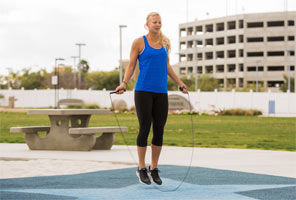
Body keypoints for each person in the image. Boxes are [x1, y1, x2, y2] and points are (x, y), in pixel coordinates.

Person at [114, 12, 188, 185]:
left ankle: (153, 168)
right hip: (143, 91)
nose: (158, 24)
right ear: (147, 24)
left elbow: (167, 65)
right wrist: (124, 83)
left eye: (160, 22)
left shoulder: (165, 43)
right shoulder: (139, 42)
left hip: (161, 92)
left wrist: (179, 82)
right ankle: (141, 168)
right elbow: (131, 65)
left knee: (159, 129)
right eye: (154, 22)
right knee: (145, 127)